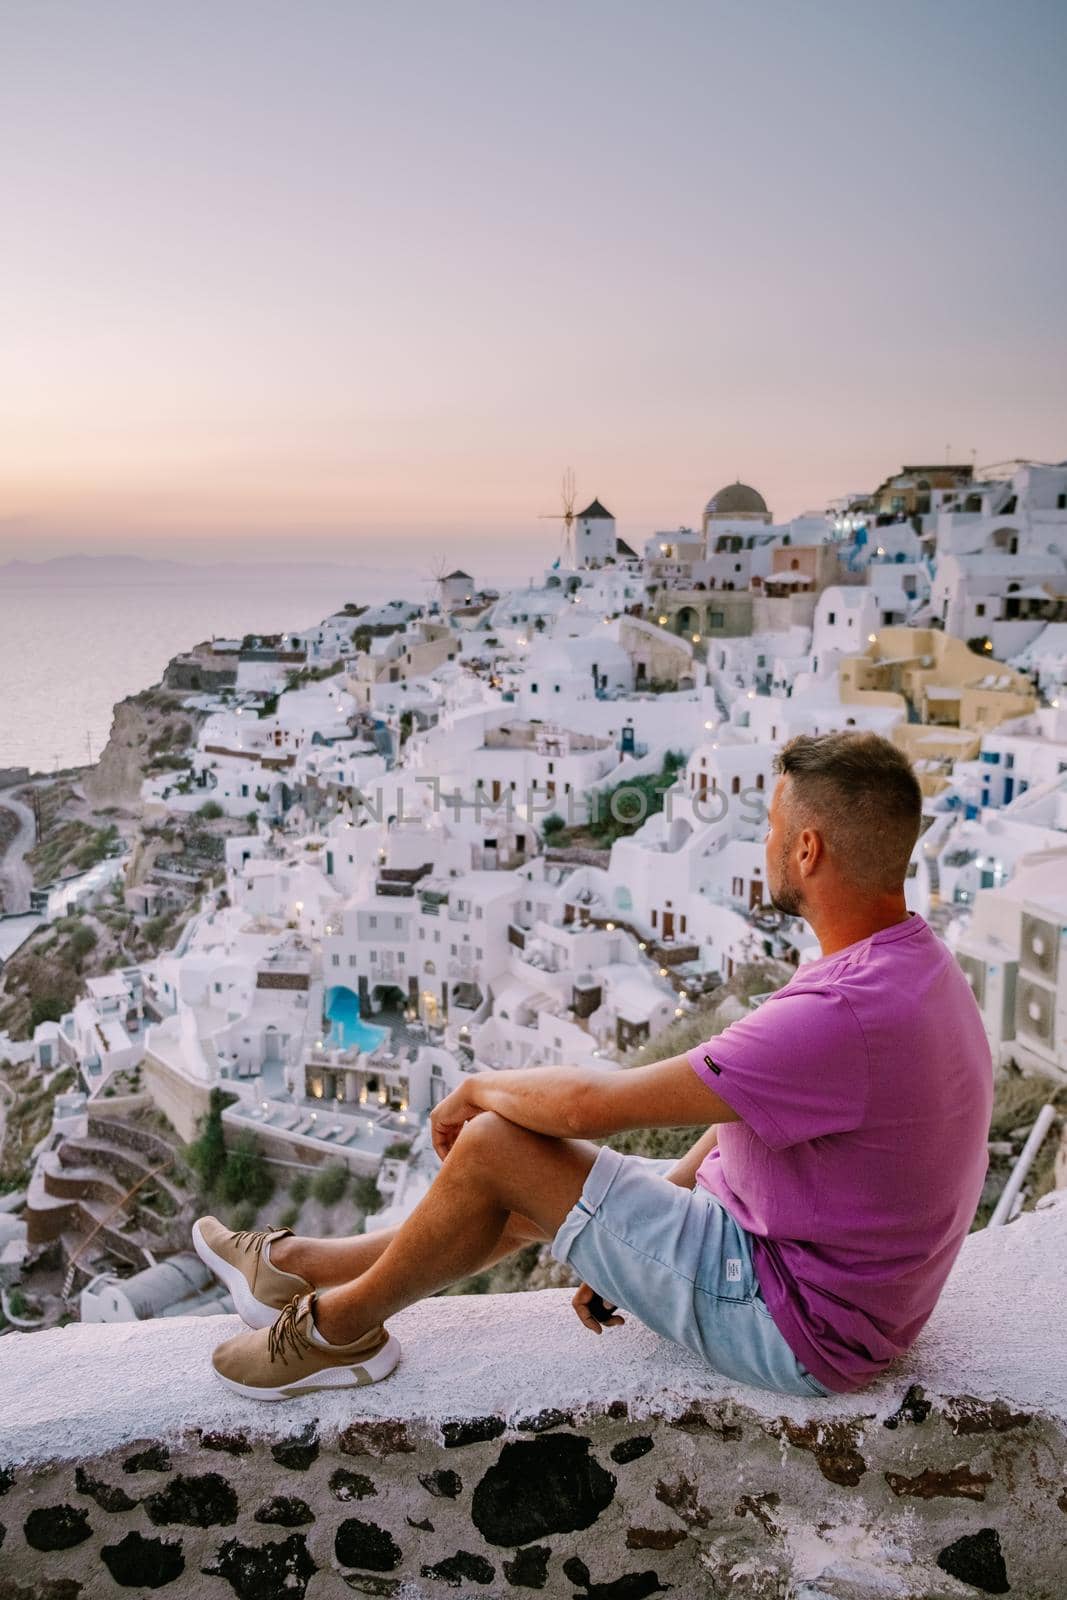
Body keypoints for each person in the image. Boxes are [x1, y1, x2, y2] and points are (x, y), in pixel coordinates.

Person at [195, 730, 992, 1401]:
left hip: (795, 1324)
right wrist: (629, 1243)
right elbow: (736, 1119)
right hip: (803, 1272)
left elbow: (587, 1106)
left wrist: (474, 1090)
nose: (764, 846)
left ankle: (339, 1333)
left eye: (772, 829)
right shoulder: (906, 966)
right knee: (533, 1174)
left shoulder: (840, 1012)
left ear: (807, 849)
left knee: (497, 1148)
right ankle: (294, 1270)